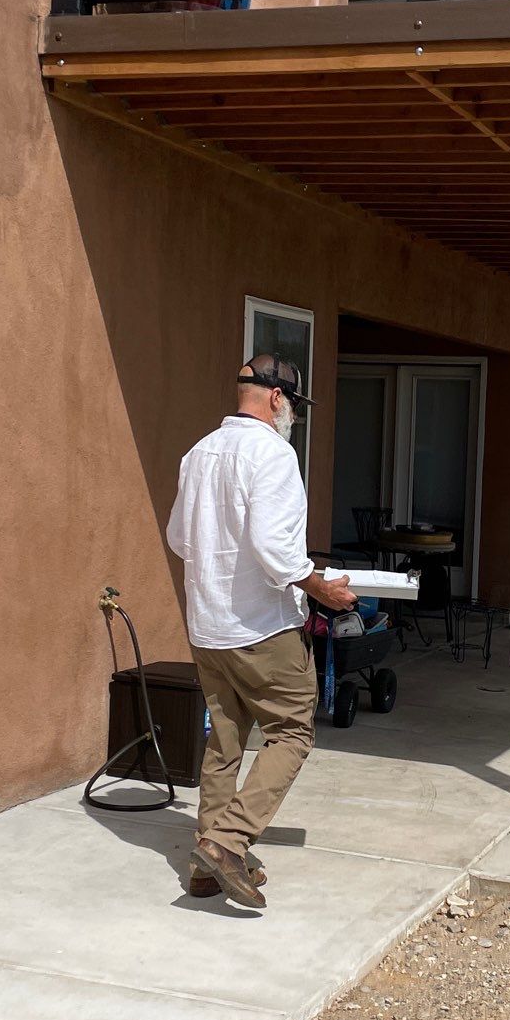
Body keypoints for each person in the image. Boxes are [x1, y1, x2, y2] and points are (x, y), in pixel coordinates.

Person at [166, 356, 356, 909]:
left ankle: (206, 864)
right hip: (261, 626)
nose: (292, 414)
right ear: (277, 398)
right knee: (292, 732)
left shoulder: (198, 452)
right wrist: (320, 588)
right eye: (293, 404)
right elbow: (277, 550)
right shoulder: (274, 453)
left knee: (224, 743)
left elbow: (181, 537)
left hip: (207, 624)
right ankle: (228, 843)